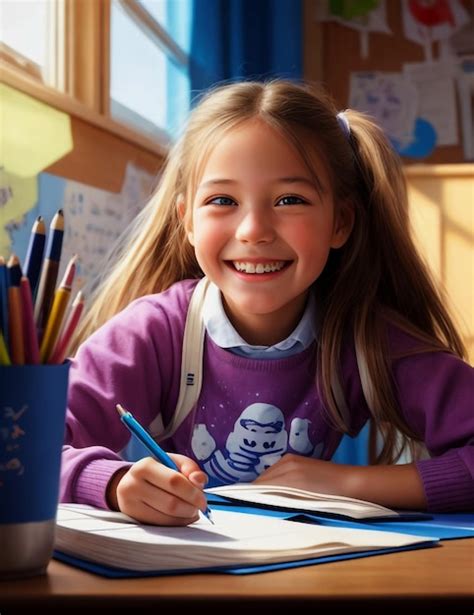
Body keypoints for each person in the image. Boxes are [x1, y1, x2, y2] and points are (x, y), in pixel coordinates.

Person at [62, 80, 473, 526]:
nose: (253, 230)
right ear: (188, 223)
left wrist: (348, 483)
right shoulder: (153, 332)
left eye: (289, 200)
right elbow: (25, 451)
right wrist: (113, 482)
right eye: (223, 200)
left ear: (341, 222)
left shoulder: (367, 339)